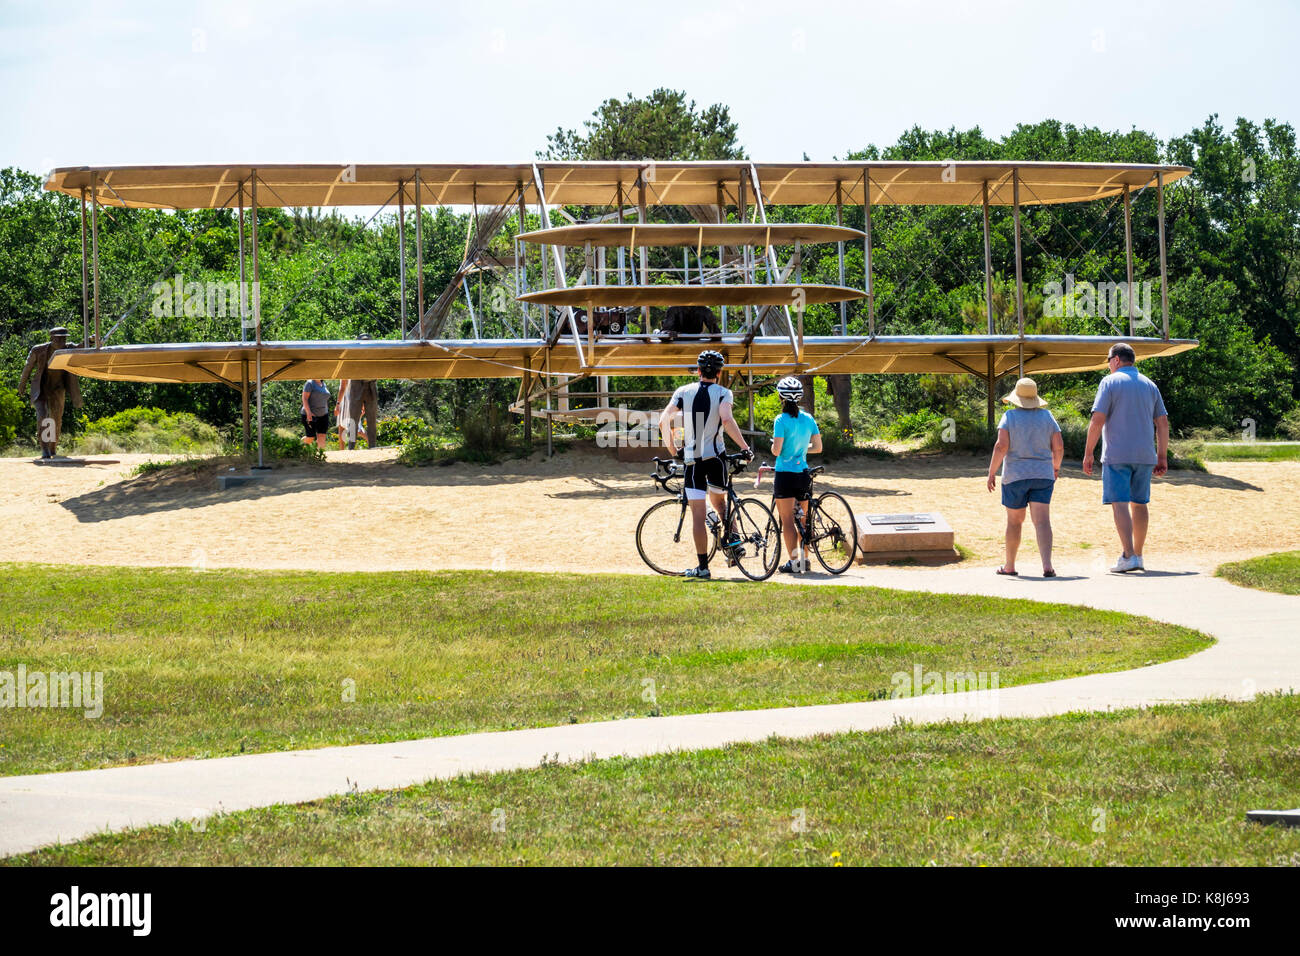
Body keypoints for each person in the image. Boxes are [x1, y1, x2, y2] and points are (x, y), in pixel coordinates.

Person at [658, 349, 753, 580]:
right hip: (716, 458)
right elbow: (727, 421)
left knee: (698, 515)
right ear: (719, 374)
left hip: (693, 460)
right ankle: (734, 543)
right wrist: (744, 448)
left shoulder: (683, 391)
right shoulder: (724, 393)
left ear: (698, 371)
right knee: (721, 504)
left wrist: (674, 450)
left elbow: (663, 420)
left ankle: (702, 568)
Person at [1082, 342, 1170, 573]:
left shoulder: (1109, 382)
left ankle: (1127, 555)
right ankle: (1139, 555)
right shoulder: (1150, 385)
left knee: (1119, 502)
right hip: (1145, 454)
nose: (1108, 364)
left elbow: (1097, 420)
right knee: (1140, 503)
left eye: (1108, 359)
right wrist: (1162, 456)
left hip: (1117, 453)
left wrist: (1088, 451)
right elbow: (1162, 422)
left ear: (1117, 360)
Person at [986, 378, 1064, 577]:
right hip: (1043, 475)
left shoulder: (1009, 417)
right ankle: (1047, 566)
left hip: (1015, 476)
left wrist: (992, 471)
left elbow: (1001, 446)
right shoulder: (1047, 417)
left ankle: (1010, 566)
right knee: (1042, 521)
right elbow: (1059, 446)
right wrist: (1055, 467)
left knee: (1014, 521)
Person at [770, 376, 823, 574]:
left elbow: (776, 451)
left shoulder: (780, 420)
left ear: (780, 397)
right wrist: (801, 450)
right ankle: (805, 560)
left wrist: (776, 447)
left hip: (785, 474)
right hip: (803, 474)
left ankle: (794, 563)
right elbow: (818, 447)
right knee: (803, 519)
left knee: (787, 521)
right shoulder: (808, 418)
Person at [18, 326, 82, 459]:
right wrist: (22, 385)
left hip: (57, 389)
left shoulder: (68, 348)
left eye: (64, 338)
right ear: (52, 338)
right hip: (41, 389)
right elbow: (28, 367)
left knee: (56, 419)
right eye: (59, 338)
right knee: (43, 417)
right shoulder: (38, 350)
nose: (62, 341)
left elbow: (81, 347)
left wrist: (91, 340)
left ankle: (52, 447)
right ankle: (44, 448)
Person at [337, 334, 379, 450]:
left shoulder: (376, 354)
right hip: (356, 387)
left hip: (371, 387)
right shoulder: (352, 354)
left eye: (367, 341)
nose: (365, 343)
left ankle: (372, 447)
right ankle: (351, 447)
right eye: (363, 341)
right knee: (353, 420)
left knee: (372, 419)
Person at [301, 378, 331, 450]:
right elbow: (304, 398)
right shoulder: (310, 383)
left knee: (322, 436)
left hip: (323, 415)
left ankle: (320, 456)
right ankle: (300, 445)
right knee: (310, 437)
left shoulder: (323, 384)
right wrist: (308, 413)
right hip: (310, 414)